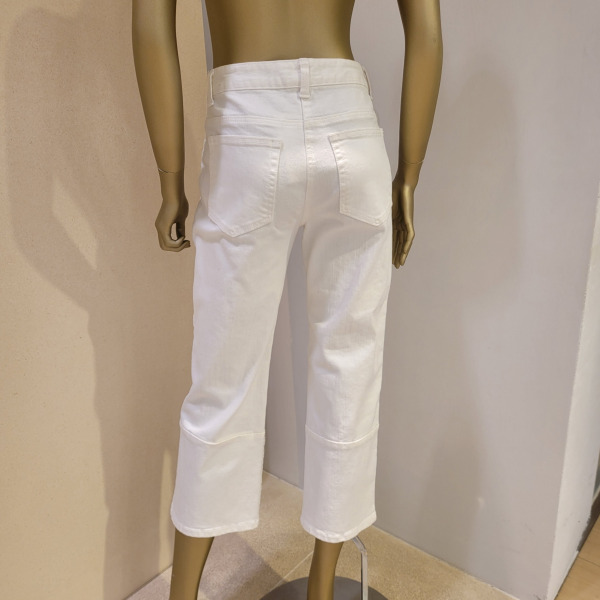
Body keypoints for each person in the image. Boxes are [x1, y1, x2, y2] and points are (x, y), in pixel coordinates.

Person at [131, 1, 442, 599]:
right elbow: (426, 27)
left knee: (222, 382)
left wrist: (170, 181)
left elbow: (150, 22)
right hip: (350, 127)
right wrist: (408, 175)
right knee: (349, 368)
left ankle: (183, 595)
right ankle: (322, 590)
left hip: (248, 128)